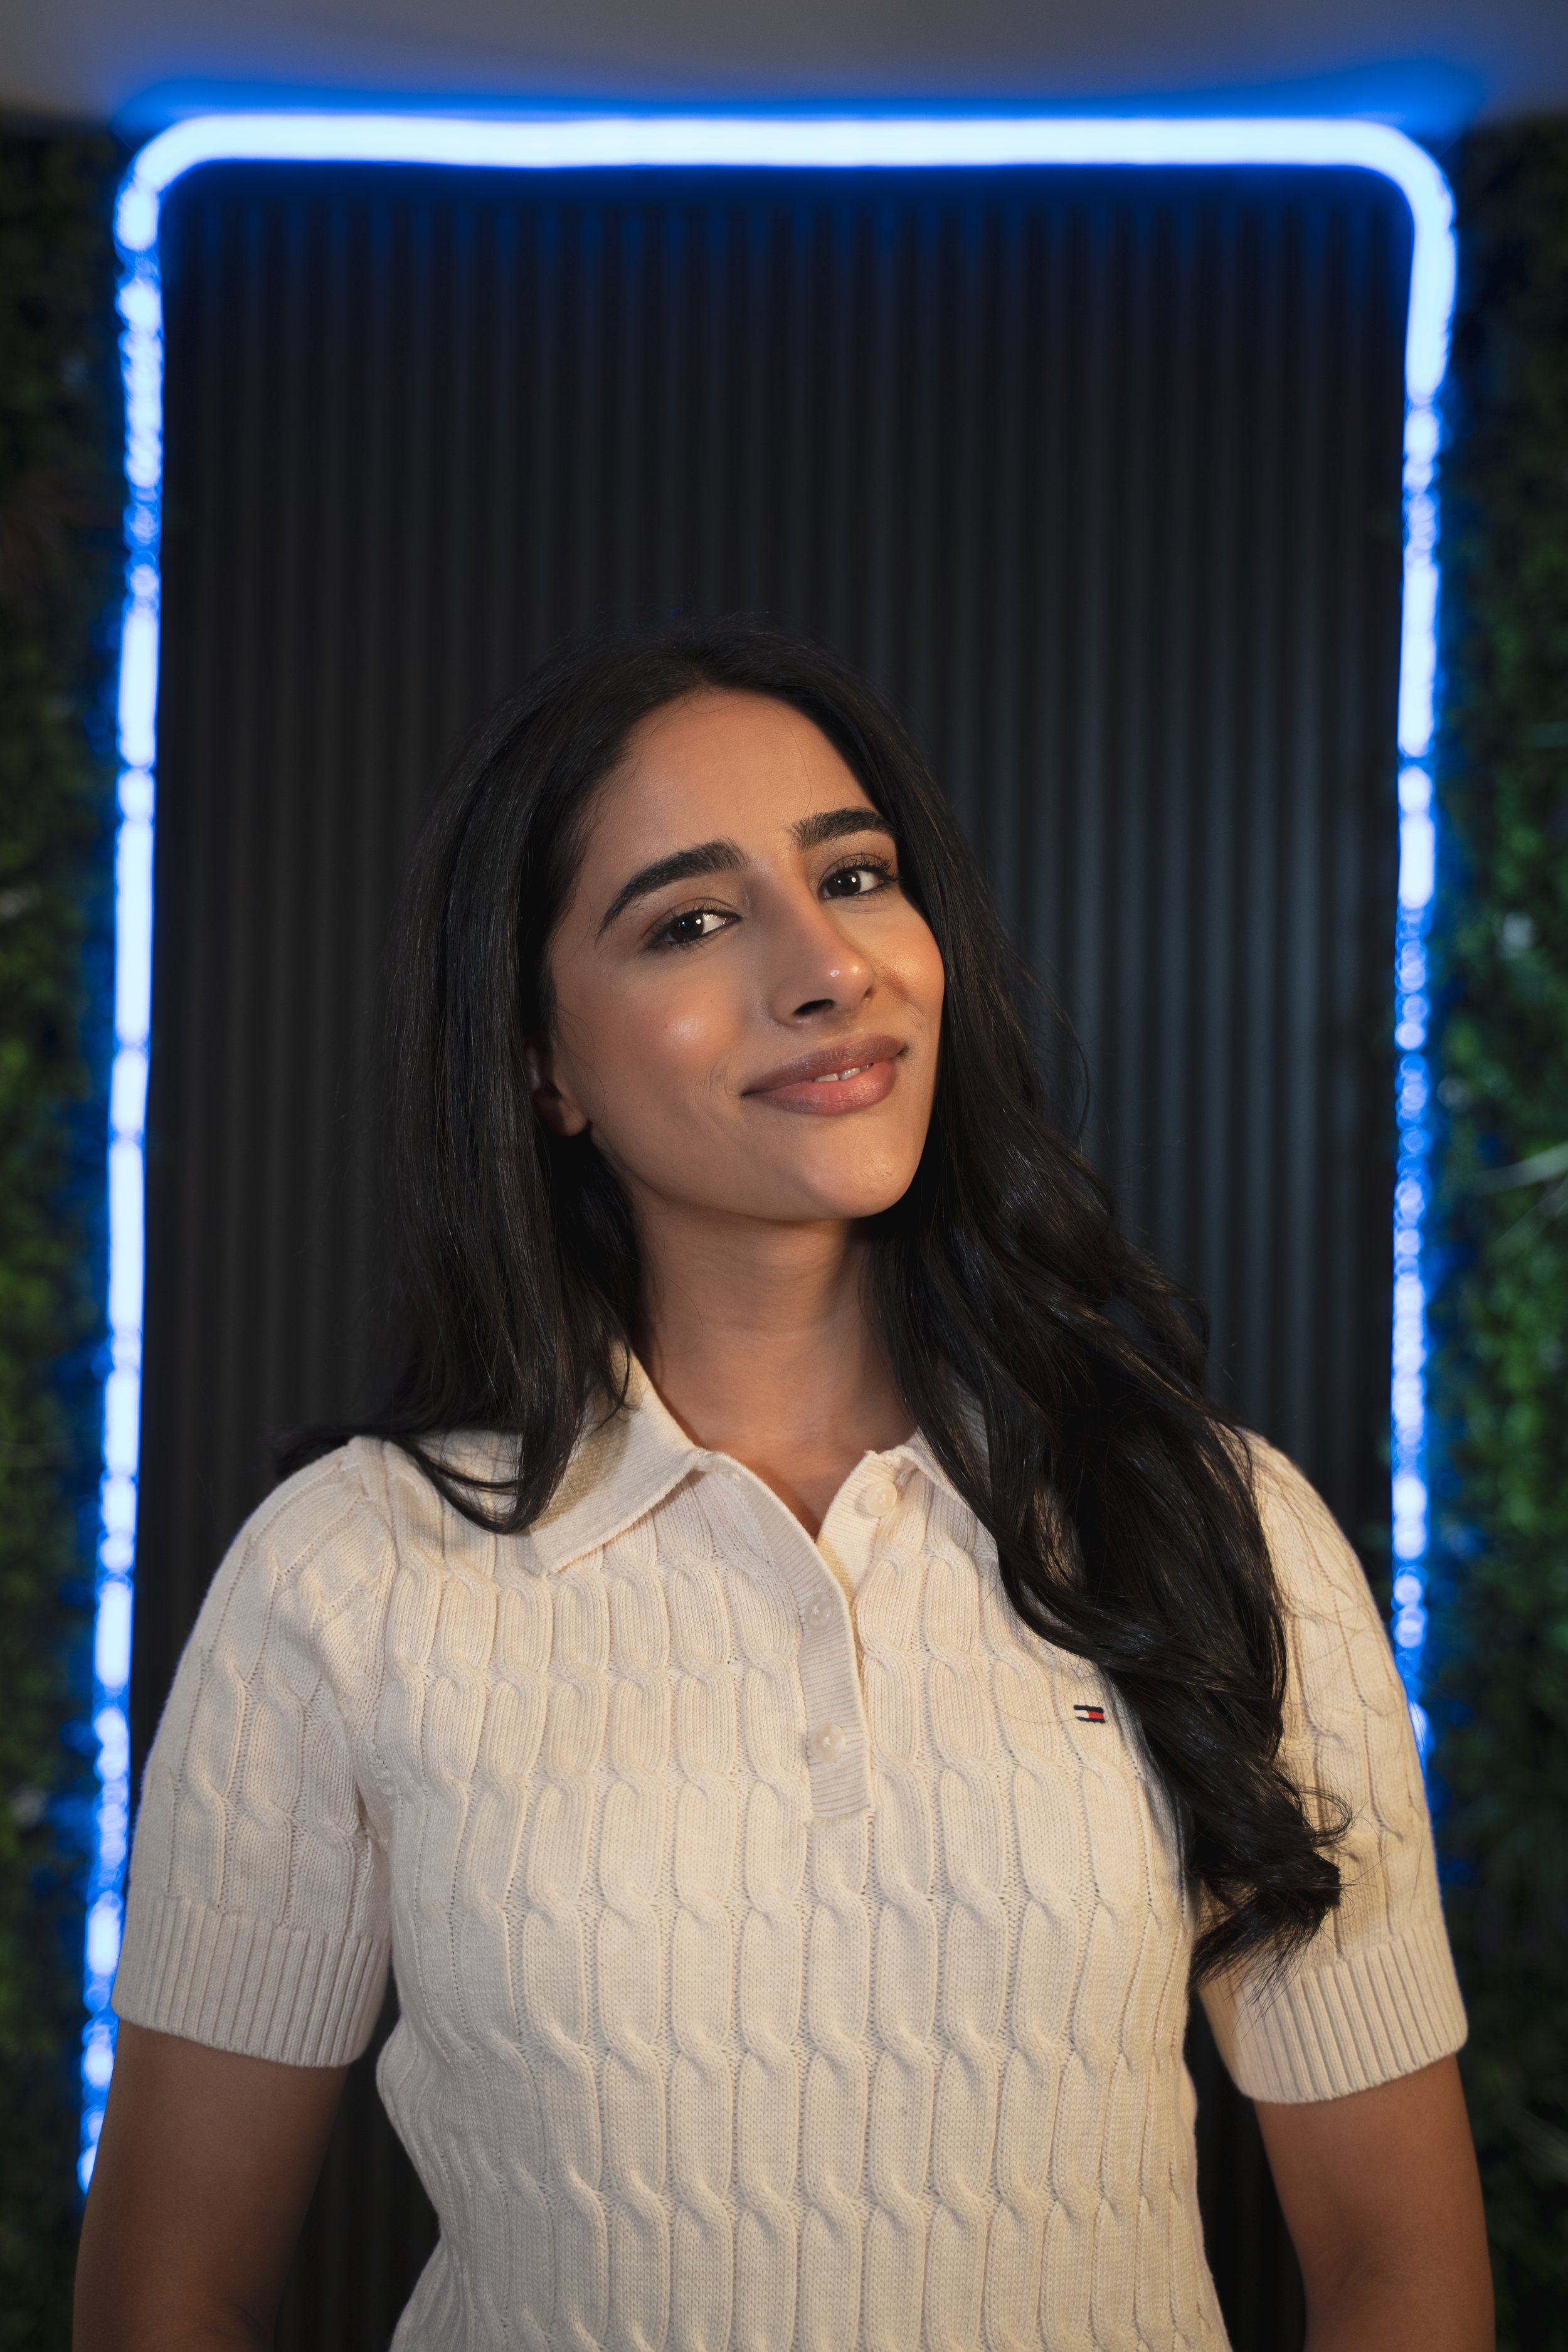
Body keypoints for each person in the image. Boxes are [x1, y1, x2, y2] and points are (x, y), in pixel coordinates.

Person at [75, 620, 1492, 2352]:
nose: (826, 970)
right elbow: (169, 2296)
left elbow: (1397, 2273)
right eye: (689, 919)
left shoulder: (1214, 1525)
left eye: (858, 876)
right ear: (540, 1064)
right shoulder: (350, 1575)